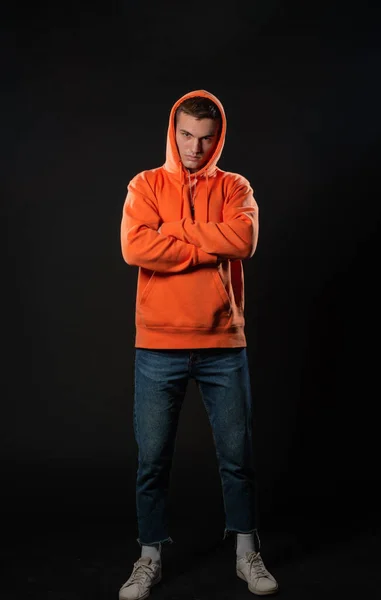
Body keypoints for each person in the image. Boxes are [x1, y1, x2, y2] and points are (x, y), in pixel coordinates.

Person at [119, 89, 278, 599]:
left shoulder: (235, 186)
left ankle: (247, 553)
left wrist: (175, 233)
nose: (195, 148)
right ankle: (149, 557)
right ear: (174, 131)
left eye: (206, 138)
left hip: (222, 342)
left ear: (218, 138)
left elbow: (244, 240)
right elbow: (134, 245)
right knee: (152, 460)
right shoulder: (144, 184)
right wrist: (206, 244)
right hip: (158, 343)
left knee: (238, 457)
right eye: (186, 135)